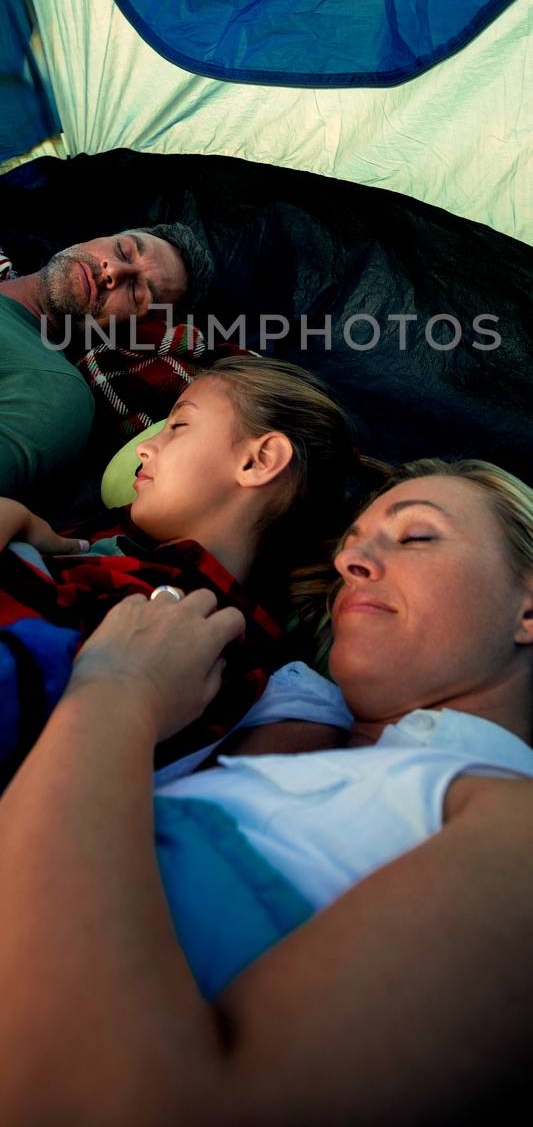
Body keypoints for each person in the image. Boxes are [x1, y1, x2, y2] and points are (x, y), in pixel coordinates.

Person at [1, 455, 532, 1125]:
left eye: (416, 535)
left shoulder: (510, 825)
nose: (350, 563)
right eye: (351, 544)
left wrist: (116, 693)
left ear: (528, 607)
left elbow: (103, 1099)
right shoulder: (282, 730)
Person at [0, 357, 356, 782]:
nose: (144, 447)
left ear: (258, 461)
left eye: (178, 426)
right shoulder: (114, 545)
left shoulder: (185, 630)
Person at [0, 220, 213, 503]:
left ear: (133, 328)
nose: (113, 270)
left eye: (138, 292)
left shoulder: (53, 392)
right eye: (123, 251)